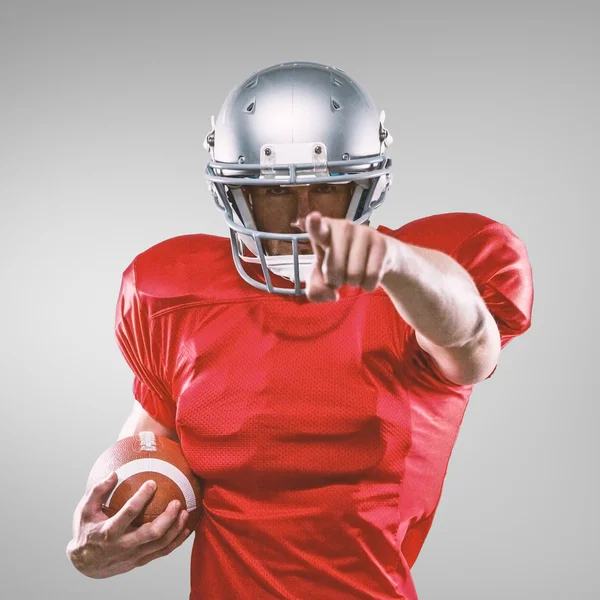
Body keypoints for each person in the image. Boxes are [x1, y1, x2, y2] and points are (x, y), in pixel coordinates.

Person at [66, 61, 534, 599]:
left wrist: (397, 263)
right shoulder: (172, 297)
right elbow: (151, 452)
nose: (302, 217)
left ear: (366, 183)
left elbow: (471, 337)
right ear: (234, 192)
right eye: (273, 192)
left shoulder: (417, 293)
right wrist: (98, 543)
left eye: (328, 186)